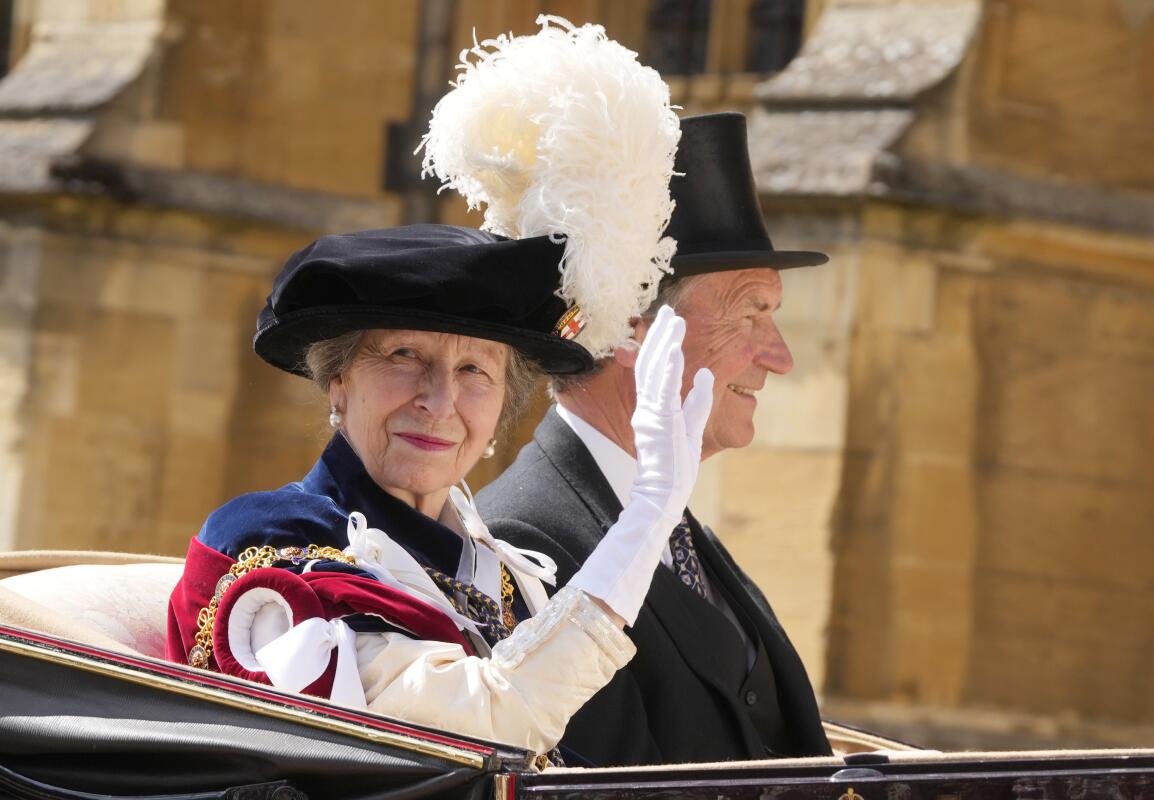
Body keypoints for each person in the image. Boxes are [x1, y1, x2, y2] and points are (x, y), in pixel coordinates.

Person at [167, 18, 703, 763]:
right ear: (338, 377)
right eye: (405, 356)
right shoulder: (273, 546)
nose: (438, 399)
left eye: (474, 370)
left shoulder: (503, 570)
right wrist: (642, 523)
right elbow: (484, 724)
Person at [477, 112, 836, 766]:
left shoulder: (681, 531)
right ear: (632, 330)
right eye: (750, 313)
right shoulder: (524, 541)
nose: (779, 357)